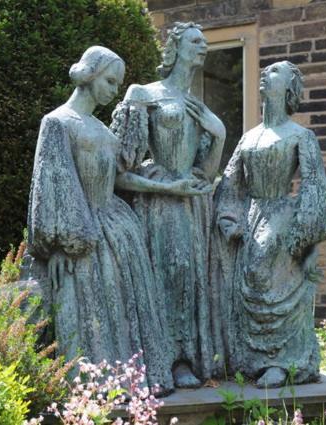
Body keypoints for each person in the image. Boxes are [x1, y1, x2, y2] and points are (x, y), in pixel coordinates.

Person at [26, 46, 199, 393]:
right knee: (94, 315)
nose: (113, 90)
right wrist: (58, 246)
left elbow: (120, 178)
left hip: (119, 231)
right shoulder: (58, 122)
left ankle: (131, 381)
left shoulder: (103, 131)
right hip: (84, 234)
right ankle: (96, 385)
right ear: (89, 74)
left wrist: (169, 189)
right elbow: (52, 186)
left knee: (125, 315)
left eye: (118, 83)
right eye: (109, 80)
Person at [110, 22, 225, 387]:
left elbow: (205, 176)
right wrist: (167, 189)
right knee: (165, 275)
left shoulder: (197, 105)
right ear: (175, 48)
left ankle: (184, 360)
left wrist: (218, 134)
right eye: (195, 40)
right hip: (158, 205)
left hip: (192, 208)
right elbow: (119, 172)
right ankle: (158, 358)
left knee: (189, 280)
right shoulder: (143, 94)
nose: (203, 44)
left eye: (205, 39)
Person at [211, 61, 326, 388]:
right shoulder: (249, 137)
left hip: (281, 215)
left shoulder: (300, 136)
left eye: (276, 71)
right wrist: (227, 217)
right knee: (247, 283)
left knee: (268, 280)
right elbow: (231, 183)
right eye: (265, 70)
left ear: (290, 87)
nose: (265, 72)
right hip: (250, 215)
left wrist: (307, 236)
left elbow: (314, 186)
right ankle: (249, 358)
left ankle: (282, 360)